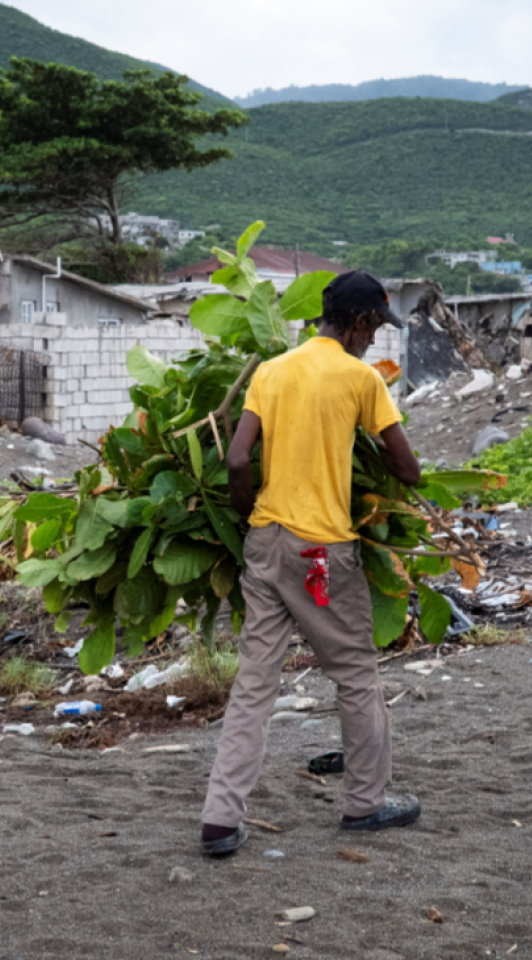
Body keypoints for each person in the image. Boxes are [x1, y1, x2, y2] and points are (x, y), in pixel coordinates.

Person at [200, 270, 424, 857]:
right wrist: (365, 440)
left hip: (266, 547)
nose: (375, 340)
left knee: (254, 681)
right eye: (374, 327)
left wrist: (251, 519)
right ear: (357, 323)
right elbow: (409, 471)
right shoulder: (359, 379)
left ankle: (220, 819)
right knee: (353, 672)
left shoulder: (273, 372)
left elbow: (238, 459)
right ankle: (366, 804)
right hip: (320, 555)